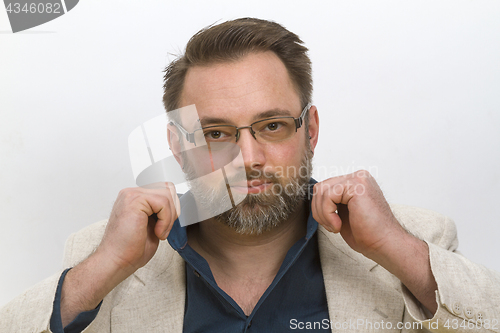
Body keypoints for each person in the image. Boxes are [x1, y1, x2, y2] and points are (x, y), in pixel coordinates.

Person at [1, 17, 499, 333]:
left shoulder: (414, 244)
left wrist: (395, 248)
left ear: (311, 130)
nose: (248, 157)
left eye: (273, 125)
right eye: (216, 133)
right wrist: (100, 271)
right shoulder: (99, 262)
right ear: (178, 146)